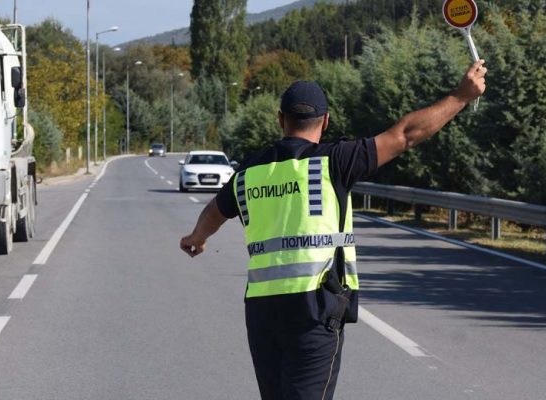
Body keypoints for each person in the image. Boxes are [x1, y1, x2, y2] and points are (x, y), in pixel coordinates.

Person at [180, 59, 487, 400]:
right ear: (325, 122)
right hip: (314, 308)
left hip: (262, 311)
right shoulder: (335, 160)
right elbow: (405, 135)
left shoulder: (250, 170)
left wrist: (197, 239)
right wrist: (461, 96)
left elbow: (215, 210)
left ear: (280, 120)